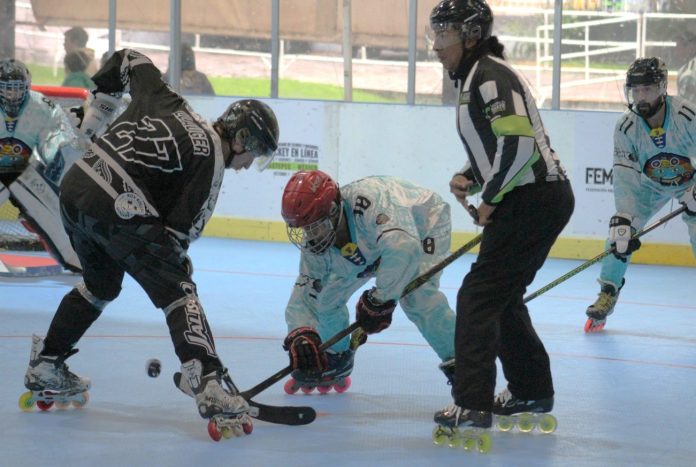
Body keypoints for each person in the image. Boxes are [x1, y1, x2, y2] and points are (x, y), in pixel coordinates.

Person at [22, 49, 280, 436]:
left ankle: (46, 363)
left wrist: (98, 114)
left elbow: (129, 59)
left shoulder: (169, 98)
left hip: (76, 188)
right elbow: (177, 238)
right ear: (242, 138)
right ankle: (208, 383)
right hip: (115, 205)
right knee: (179, 290)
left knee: (100, 286)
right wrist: (177, 266)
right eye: (253, 155)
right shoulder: (212, 161)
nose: (246, 167)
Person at [428, 0, 574, 433]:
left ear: (471, 35)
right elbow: (502, 144)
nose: (436, 46)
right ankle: (531, 390)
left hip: (532, 200)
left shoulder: (489, 75)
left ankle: (472, 404)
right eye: (434, 35)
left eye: (444, 35)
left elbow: (521, 145)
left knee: (478, 296)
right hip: (534, 197)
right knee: (501, 296)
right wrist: (470, 175)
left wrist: (489, 196)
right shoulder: (479, 74)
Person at [280, 170, 457, 394]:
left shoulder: (369, 201)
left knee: (417, 296)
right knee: (326, 299)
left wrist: (381, 300)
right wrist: (300, 333)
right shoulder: (318, 235)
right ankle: (336, 357)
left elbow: (403, 247)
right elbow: (307, 286)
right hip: (375, 242)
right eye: (304, 230)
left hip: (423, 225)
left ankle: (462, 363)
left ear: (333, 210)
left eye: (314, 227)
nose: (310, 236)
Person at [585, 57, 696, 332]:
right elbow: (625, 176)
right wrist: (624, 217)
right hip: (650, 186)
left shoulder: (687, 116)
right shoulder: (626, 127)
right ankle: (608, 291)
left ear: (662, 87)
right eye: (635, 90)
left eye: (647, 89)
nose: (640, 96)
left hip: (690, 184)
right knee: (620, 232)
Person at [0, 58, 82, 271]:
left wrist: (58, 155)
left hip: (24, 171)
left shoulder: (42, 106)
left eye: (18, 89)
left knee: (54, 212)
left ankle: (78, 262)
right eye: (7, 89)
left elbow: (53, 141)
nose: (13, 95)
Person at [675, 31, 696, 104]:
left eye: (679, 47)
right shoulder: (683, 69)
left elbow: (686, 102)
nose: (677, 52)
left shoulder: (689, 71)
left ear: (692, 46)